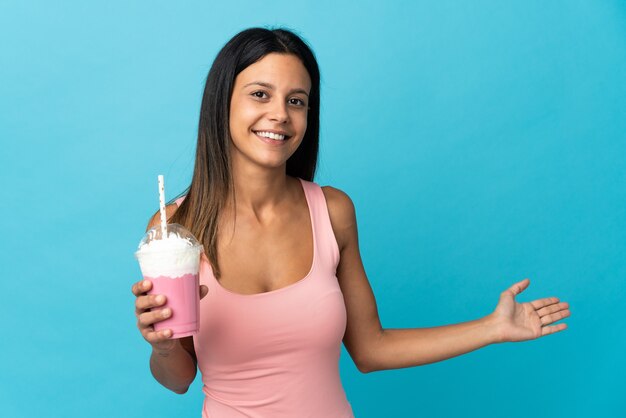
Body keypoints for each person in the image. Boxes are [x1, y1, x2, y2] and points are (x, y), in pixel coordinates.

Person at [131, 27, 570, 417]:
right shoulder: (176, 228)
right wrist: (163, 346)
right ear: (222, 102)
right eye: (260, 94)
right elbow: (179, 379)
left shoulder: (332, 211)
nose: (280, 114)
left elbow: (370, 348)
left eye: (296, 101)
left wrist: (492, 327)